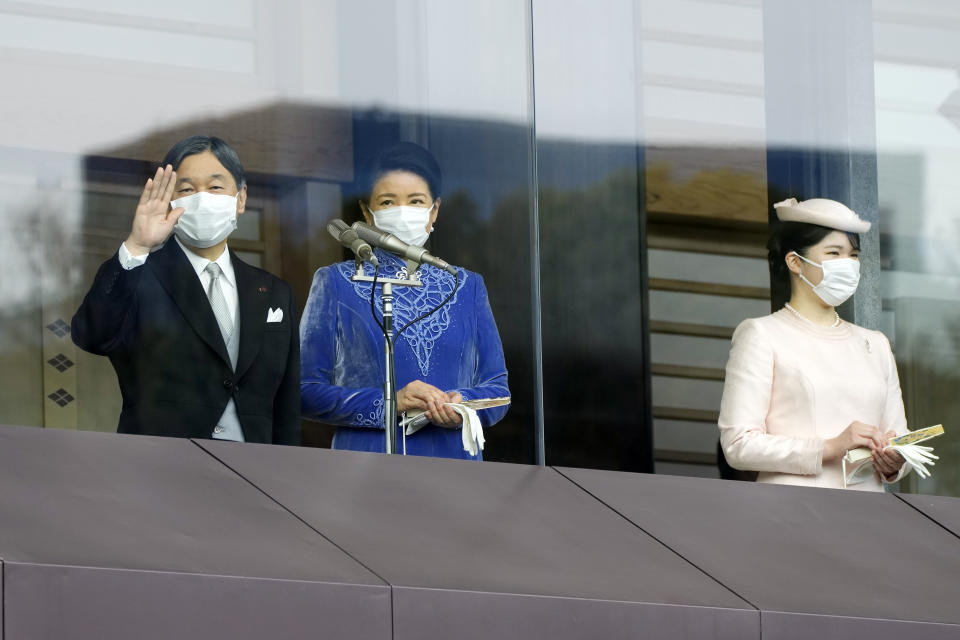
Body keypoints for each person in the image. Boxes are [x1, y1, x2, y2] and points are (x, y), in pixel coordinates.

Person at [72, 135, 300, 444]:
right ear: (169, 200)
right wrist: (138, 245)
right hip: (162, 468)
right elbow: (93, 335)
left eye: (216, 187)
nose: (202, 198)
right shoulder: (139, 273)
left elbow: (286, 405)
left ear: (241, 198)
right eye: (187, 189)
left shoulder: (274, 292)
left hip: (256, 472)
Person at [300, 142, 508, 459]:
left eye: (415, 201)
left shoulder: (466, 285)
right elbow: (303, 391)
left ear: (434, 210)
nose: (403, 210)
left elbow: (498, 392)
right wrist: (390, 403)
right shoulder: (336, 282)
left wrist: (459, 404)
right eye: (387, 201)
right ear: (367, 212)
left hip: (456, 468)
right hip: (365, 466)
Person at [718, 197, 908, 490]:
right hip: (794, 512)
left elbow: (900, 436)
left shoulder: (876, 344)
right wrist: (830, 447)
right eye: (834, 253)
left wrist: (897, 461)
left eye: (853, 255)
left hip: (871, 515)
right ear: (795, 261)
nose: (848, 264)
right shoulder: (761, 334)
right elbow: (738, 444)